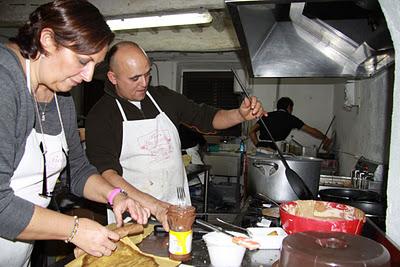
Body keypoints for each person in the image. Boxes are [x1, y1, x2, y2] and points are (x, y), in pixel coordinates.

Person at [0, 1, 153, 265]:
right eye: (83, 61)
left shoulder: (61, 99)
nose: (87, 76)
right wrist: (74, 229)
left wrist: (115, 196)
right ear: (47, 39)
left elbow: (78, 170)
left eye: (95, 64)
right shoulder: (5, 82)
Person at [85, 41, 265, 222]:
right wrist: (155, 206)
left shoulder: (163, 98)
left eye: (147, 75)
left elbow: (205, 117)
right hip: (134, 213)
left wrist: (239, 114)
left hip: (177, 206)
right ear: (113, 77)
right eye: (135, 78)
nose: (144, 83)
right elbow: (107, 174)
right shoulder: (101, 115)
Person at [249, 97, 331, 151]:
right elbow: (311, 130)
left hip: (261, 150)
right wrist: (324, 137)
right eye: (292, 108)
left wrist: (258, 144)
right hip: (276, 151)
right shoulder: (291, 118)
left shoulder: (266, 115)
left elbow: (251, 131)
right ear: (289, 107)